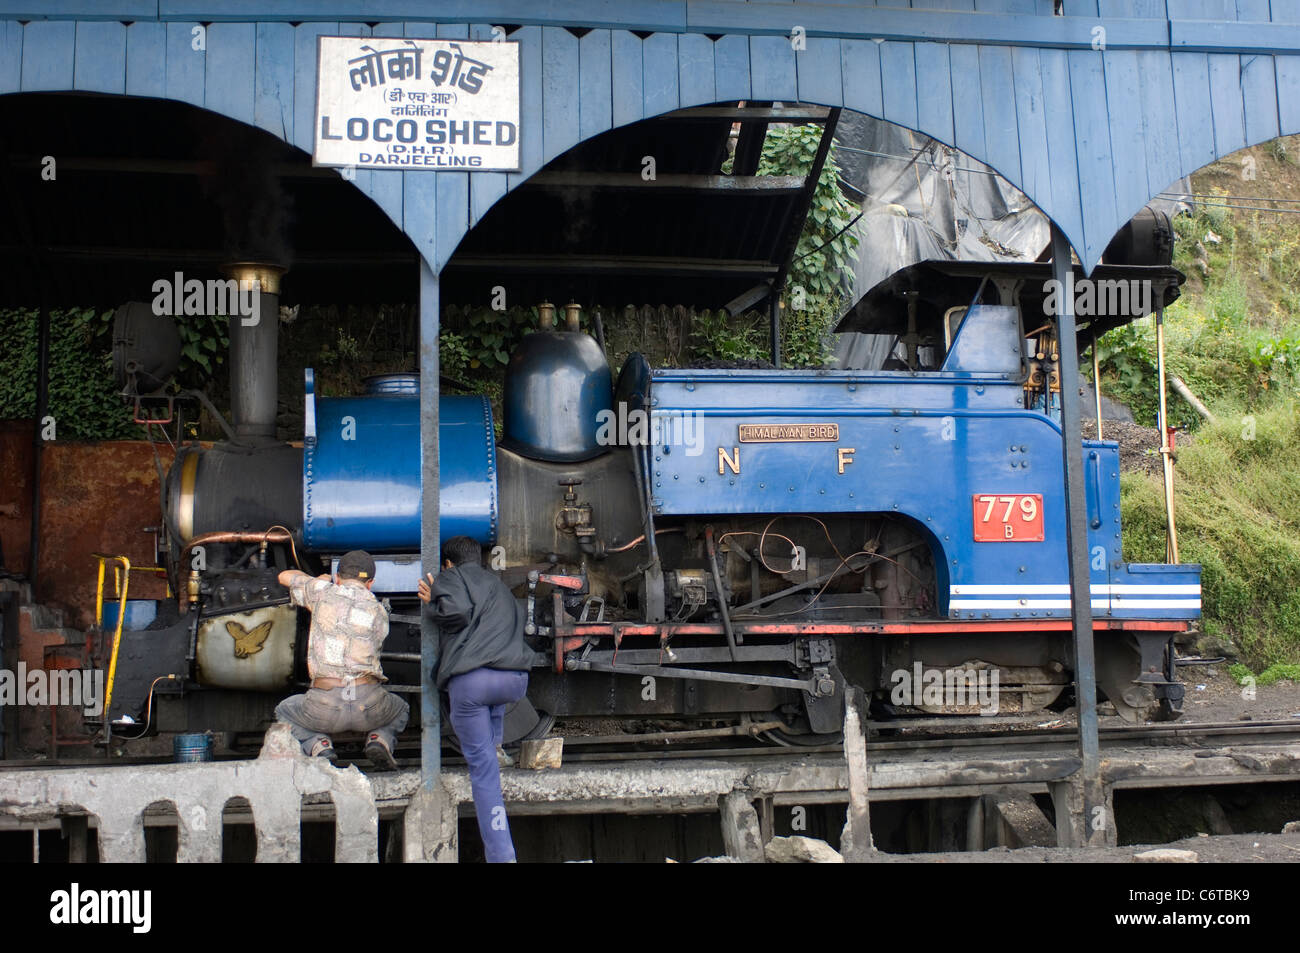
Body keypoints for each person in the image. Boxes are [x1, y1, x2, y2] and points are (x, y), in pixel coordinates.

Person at [417, 535, 537, 863]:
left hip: (472, 685)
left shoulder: (451, 577)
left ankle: (502, 856)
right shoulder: (497, 585)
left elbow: (455, 612)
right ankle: (496, 745)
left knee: (483, 773)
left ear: (447, 562)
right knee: (489, 728)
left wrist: (434, 601)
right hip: (514, 682)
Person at [273, 550, 409, 770]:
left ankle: (319, 744)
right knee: (402, 708)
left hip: (323, 708)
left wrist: (318, 580)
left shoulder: (322, 592)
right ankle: (379, 739)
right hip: (369, 705)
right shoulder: (378, 610)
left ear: (337, 577)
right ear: (370, 583)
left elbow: (284, 576)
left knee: (284, 710)